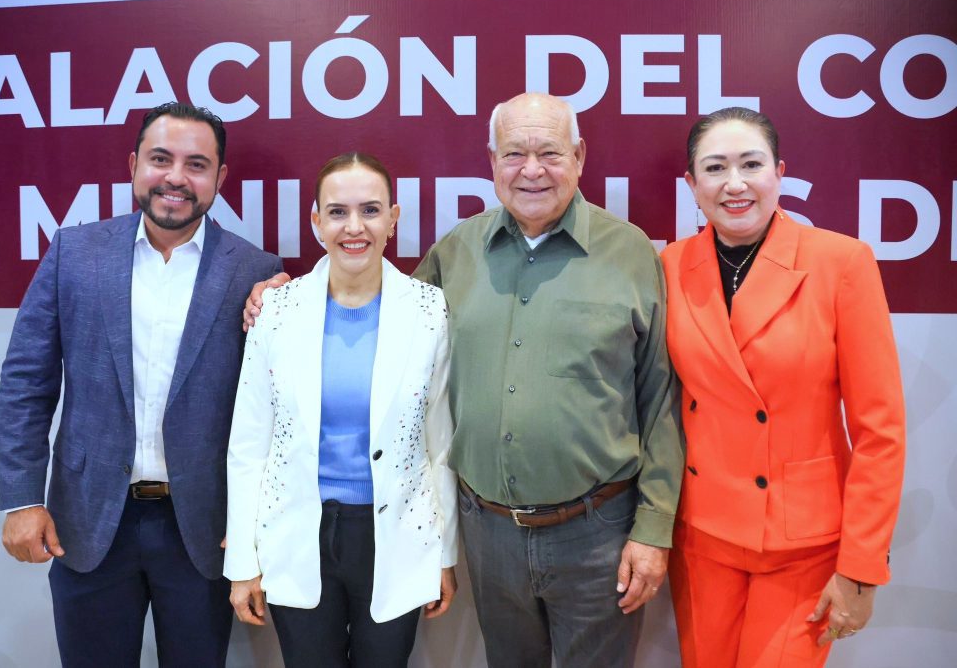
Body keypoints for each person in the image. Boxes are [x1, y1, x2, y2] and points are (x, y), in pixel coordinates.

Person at [244, 93, 684, 668]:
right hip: (489, 534)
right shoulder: (456, 252)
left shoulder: (630, 253)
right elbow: (378, 304)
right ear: (492, 162)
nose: (531, 170)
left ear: (578, 156)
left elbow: (660, 399)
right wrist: (282, 298)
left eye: (550, 153)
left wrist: (652, 530)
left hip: (597, 533)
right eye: (514, 153)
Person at [0, 102, 282, 666]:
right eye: (160, 159)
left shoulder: (255, 272)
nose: (176, 177)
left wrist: (258, 520)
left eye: (196, 164)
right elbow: (26, 381)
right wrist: (23, 497)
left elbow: (272, 412)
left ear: (220, 177)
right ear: (133, 166)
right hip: (88, 522)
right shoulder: (74, 254)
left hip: (202, 530)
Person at [661, 106, 905, 667]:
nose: (735, 183)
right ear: (692, 184)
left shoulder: (842, 262)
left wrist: (861, 567)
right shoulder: (670, 266)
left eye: (751, 164)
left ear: (780, 173)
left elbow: (880, 432)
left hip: (805, 543)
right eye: (715, 168)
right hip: (702, 535)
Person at [224, 152, 457, 668]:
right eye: (337, 212)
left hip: (400, 535)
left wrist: (444, 555)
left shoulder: (429, 310)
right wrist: (243, 561)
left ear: (393, 219)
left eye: (370, 210)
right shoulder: (275, 311)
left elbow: (440, 446)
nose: (354, 227)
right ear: (316, 221)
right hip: (297, 533)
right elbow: (249, 446)